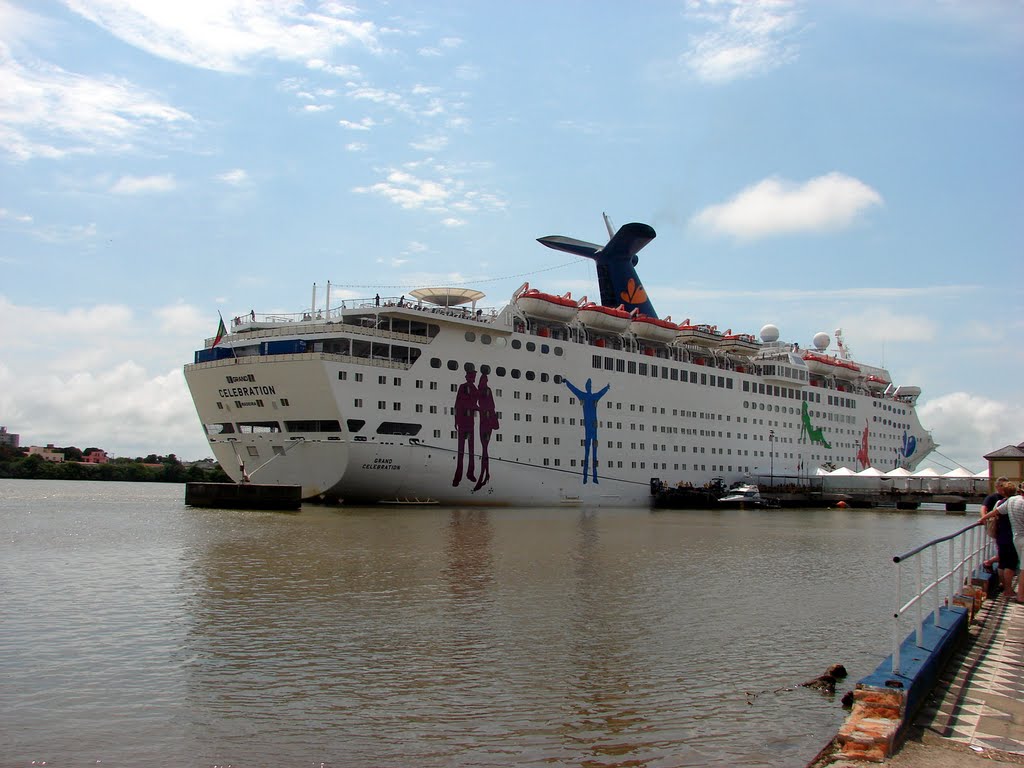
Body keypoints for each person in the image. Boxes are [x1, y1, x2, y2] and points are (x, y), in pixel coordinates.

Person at [563, 377, 610, 484]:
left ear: (587, 387)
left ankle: (587, 477)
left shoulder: (584, 395)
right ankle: (593, 477)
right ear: (589, 387)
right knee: (592, 452)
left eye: (589, 385)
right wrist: (607, 388)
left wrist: (567, 382)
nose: (589, 387)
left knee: (588, 452)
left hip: (590, 427)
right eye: (589, 385)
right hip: (593, 426)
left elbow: (573, 389)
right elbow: (601, 393)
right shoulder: (593, 396)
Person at [980, 478, 1018, 597]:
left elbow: (993, 512)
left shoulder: (999, 503)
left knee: (1002, 563)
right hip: (1012, 536)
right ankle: (1008, 589)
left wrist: (983, 519)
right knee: (1010, 564)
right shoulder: (1014, 503)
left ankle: (1005, 586)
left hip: (1001, 535)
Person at [452, 370, 478, 487]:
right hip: (463, 422)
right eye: (472, 376)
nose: (473, 378)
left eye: (474, 377)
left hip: (470, 423)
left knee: (471, 450)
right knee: (461, 450)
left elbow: (476, 403)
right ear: (467, 377)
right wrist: (456, 420)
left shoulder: (474, 389)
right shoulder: (462, 387)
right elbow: (458, 403)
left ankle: (470, 473)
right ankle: (458, 476)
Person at [473, 373, 499, 491]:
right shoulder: (483, 390)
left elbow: (490, 405)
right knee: (484, 449)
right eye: (485, 380)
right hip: (484, 421)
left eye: (486, 380)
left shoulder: (485, 390)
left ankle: (482, 477)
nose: (486, 382)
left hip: (486, 421)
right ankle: (486, 474)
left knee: (484, 449)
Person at [1004, 482, 1024, 604]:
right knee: (1023, 569)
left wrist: (983, 519)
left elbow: (997, 511)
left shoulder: (1011, 500)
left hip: (1016, 538)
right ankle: (1021, 596)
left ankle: (1015, 592)